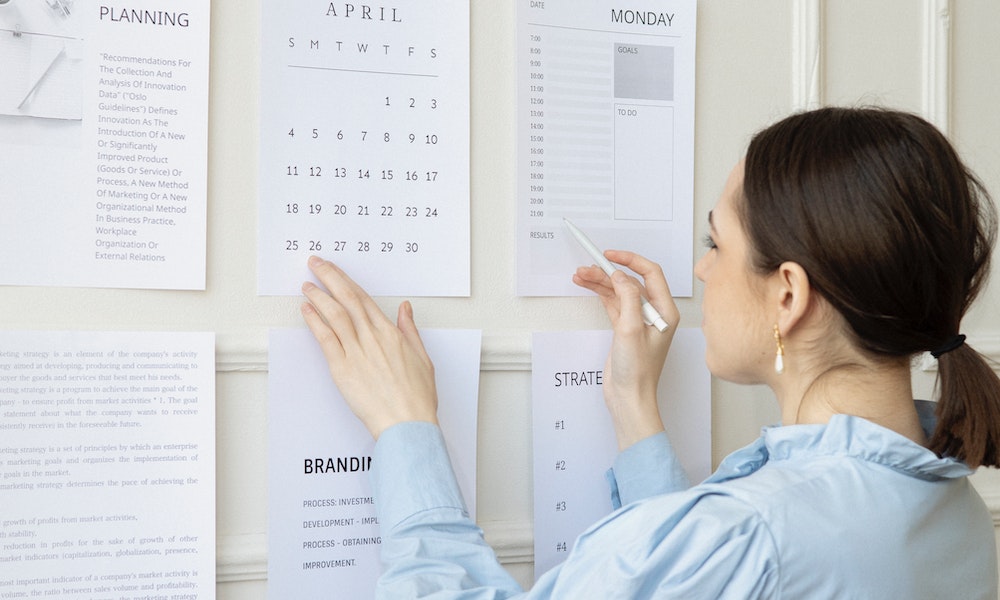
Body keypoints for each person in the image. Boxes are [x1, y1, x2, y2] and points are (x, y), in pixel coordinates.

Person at [299, 106, 1000, 598]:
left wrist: (405, 428)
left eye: (715, 243)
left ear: (788, 294)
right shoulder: (956, 508)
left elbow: (735, 554)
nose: (700, 270)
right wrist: (634, 405)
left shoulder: (750, 533)